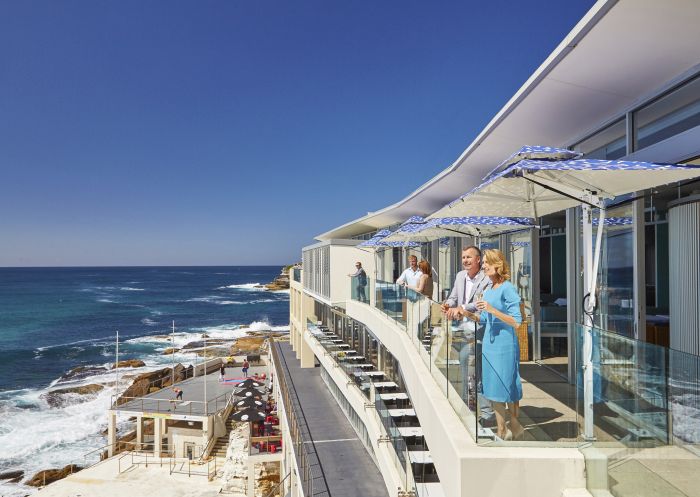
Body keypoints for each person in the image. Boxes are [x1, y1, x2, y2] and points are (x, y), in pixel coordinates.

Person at [463, 249, 524, 441]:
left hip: (505, 345)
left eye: (487, 262)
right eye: (483, 264)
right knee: (494, 387)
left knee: (509, 385)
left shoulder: (507, 288)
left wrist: (492, 309)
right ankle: (502, 429)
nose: (484, 266)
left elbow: (517, 321)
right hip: (489, 345)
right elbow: (484, 320)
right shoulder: (488, 290)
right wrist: (468, 314)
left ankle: (512, 425)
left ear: (498, 264)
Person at [441, 246, 494, 422]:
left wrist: (461, 308)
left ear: (478, 260)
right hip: (462, 330)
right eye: (463, 257)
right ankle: (471, 407)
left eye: (469, 257)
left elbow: (480, 304)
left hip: (480, 329)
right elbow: (454, 297)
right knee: (468, 367)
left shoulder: (486, 279)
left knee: (473, 369)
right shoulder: (459, 276)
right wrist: (448, 305)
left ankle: (485, 413)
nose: (465, 260)